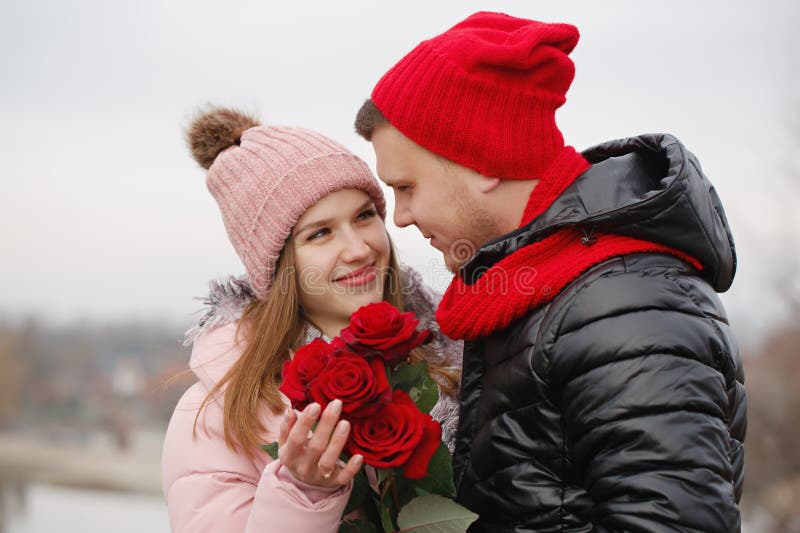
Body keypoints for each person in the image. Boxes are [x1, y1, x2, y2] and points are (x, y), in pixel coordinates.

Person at [355, 11, 746, 532]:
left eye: (407, 187)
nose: (400, 216)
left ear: (482, 161)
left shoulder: (624, 308)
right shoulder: (540, 292)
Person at [161, 106, 462, 533]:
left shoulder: (457, 360)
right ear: (278, 265)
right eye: (319, 233)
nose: (359, 248)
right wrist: (302, 494)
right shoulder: (218, 416)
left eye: (364, 216)